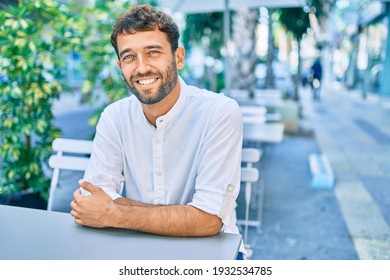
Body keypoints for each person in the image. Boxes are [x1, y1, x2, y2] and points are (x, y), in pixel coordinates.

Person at [70, 5, 245, 259]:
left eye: (153, 52)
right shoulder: (114, 117)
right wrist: (180, 215)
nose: (142, 68)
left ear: (178, 57)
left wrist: (115, 212)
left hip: (212, 256)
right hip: (138, 251)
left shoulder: (219, 113)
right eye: (129, 57)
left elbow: (208, 220)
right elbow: (92, 200)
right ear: (120, 66)